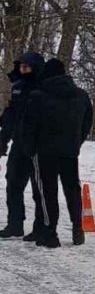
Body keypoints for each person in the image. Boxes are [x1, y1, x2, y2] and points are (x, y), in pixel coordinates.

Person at [22, 59, 93, 248]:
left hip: (44, 151)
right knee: (72, 188)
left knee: (47, 192)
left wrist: (30, 148)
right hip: (70, 150)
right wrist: (77, 141)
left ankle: (50, 232)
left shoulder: (38, 95)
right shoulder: (81, 95)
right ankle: (78, 228)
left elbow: (28, 125)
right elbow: (88, 121)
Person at [0, 52, 45, 239]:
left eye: (26, 67)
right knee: (13, 184)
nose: (22, 70)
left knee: (39, 189)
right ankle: (14, 224)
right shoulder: (17, 87)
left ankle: (40, 227)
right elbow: (10, 116)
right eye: (21, 67)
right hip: (19, 144)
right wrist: (3, 140)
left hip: (39, 146)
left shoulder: (46, 87)